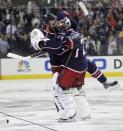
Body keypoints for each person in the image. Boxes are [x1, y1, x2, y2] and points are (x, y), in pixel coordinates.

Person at [30, 15, 91, 121]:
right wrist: (42, 45)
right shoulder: (44, 32)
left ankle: (69, 112)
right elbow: (46, 44)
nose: (55, 23)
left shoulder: (62, 31)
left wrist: (46, 45)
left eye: (56, 21)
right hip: (61, 64)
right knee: (67, 88)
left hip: (68, 64)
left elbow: (58, 46)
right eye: (52, 21)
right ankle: (82, 113)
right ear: (46, 23)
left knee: (60, 88)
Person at [57, 10, 119, 91]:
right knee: (89, 65)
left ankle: (104, 83)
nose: (60, 24)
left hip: (76, 62)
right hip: (77, 62)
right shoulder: (68, 34)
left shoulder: (69, 33)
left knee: (89, 65)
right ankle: (104, 82)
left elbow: (69, 41)